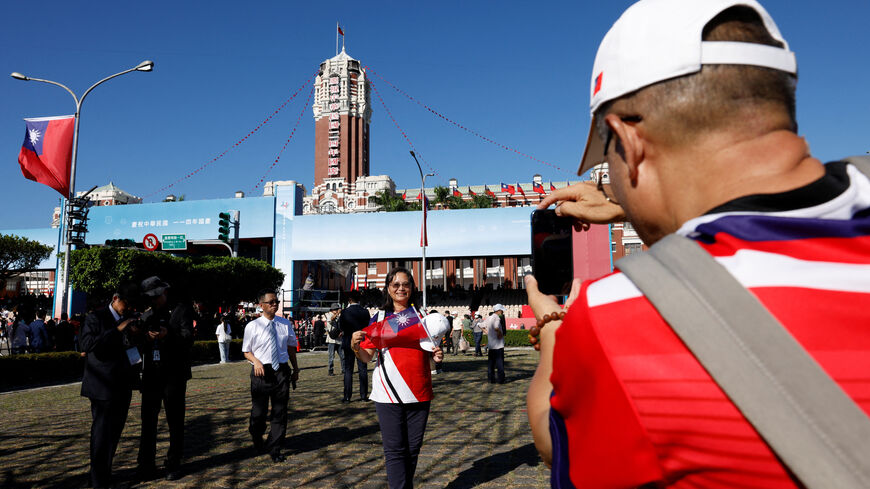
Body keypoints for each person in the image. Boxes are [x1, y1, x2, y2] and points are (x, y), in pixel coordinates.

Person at [525, 1, 870, 487]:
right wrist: (627, 206)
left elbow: (551, 442)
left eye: (610, 162)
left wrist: (553, 325)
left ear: (629, 141)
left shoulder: (618, 318)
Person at [350, 267, 445, 489]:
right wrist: (355, 347)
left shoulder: (424, 318)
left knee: (413, 449)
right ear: (388, 289)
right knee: (394, 450)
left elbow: (431, 359)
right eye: (396, 285)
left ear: (412, 288)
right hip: (387, 393)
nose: (401, 288)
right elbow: (366, 357)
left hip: (419, 391)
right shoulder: (380, 318)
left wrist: (437, 358)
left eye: (406, 284)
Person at [80, 281, 143, 489]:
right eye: (127, 303)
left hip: (123, 383)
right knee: (101, 433)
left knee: (115, 432)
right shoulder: (95, 318)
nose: (129, 308)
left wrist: (136, 335)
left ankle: (104, 473)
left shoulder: (129, 318)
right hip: (102, 385)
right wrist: (117, 329)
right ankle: (98, 479)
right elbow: (88, 345)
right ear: (116, 299)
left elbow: (132, 349)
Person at [136, 276, 194, 481]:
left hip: (174, 374)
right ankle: (146, 464)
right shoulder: (146, 316)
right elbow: (137, 345)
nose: (153, 301)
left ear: (165, 293)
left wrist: (167, 334)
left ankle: (174, 462)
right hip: (151, 373)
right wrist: (146, 336)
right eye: (150, 298)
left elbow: (189, 338)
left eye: (156, 296)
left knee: (175, 422)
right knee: (148, 421)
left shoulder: (181, 310)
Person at [242, 289, 299, 463]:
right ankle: (257, 436)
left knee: (280, 412)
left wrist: (296, 369)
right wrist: (256, 362)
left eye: (277, 302)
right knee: (258, 412)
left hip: (281, 371)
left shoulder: (285, 324)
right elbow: (246, 351)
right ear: (262, 305)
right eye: (271, 302)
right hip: (261, 372)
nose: (275, 304)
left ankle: (275, 447)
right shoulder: (253, 326)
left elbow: (290, 348)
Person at [339, 290, 371, 402]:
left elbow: (341, 326)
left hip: (348, 342)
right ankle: (363, 395)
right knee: (363, 369)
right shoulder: (365, 312)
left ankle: (347, 396)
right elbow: (368, 327)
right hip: (362, 342)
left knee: (348, 370)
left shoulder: (344, 312)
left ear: (349, 300)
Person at [483, 305, 505, 384]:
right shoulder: (497, 317)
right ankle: (501, 379)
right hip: (498, 344)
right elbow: (496, 327)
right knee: (500, 363)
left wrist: (487, 332)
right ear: (498, 310)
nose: (502, 311)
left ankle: (491, 379)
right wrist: (499, 333)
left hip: (491, 344)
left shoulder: (489, 317)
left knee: (491, 363)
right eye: (501, 310)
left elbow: (480, 325)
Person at [325, 303, 344, 376]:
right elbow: (331, 319)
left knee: (342, 356)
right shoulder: (328, 315)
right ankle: (330, 370)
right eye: (336, 309)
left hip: (339, 339)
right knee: (331, 356)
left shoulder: (339, 316)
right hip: (331, 339)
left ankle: (343, 370)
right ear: (333, 310)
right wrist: (337, 314)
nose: (337, 311)